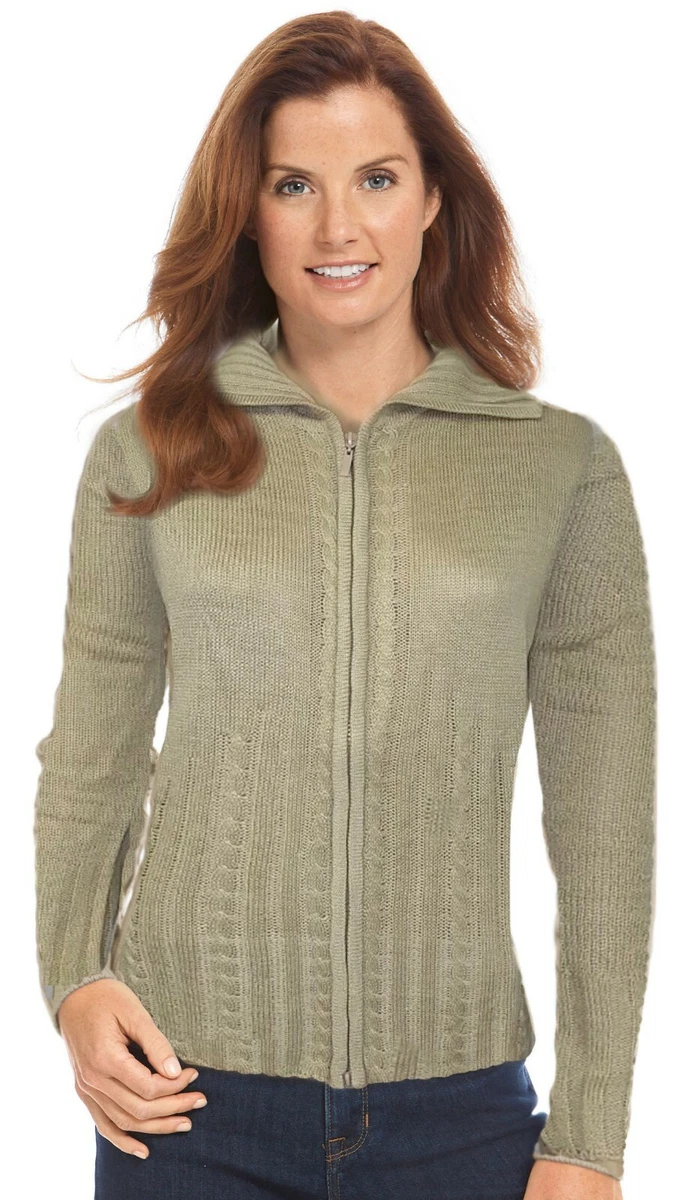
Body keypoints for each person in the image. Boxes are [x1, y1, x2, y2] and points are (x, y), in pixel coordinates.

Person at [33, 12, 656, 1200]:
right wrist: (74, 979)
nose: (338, 227)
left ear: (433, 198)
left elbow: (605, 821)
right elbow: (94, 755)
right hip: (183, 1107)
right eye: (293, 185)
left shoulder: (559, 467)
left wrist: (590, 1136)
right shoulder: (149, 450)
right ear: (247, 211)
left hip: (460, 1121)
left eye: (377, 178)